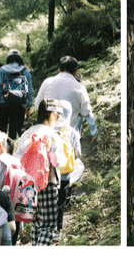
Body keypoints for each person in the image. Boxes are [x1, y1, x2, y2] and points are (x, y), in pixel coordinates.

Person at [15, 98, 66, 246]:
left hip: (29, 185)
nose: (58, 120)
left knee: (36, 223)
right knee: (49, 225)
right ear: (51, 116)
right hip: (48, 184)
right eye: (57, 116)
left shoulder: (27, 133)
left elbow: (18, 157)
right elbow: (58, 162)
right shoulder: (53, 135)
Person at [35, 55, 98, 142]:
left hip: (48, 133)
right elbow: (86, 112)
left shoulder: (47, 82)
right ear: (75, 73)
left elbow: (37, 105)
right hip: (69, 136)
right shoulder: (80, 87)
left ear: (59, 70)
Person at [0, 49, 34, 150]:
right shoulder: (25, 71)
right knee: (15, 128)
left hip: (4, 102)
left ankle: (1, 147)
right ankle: (13, 150)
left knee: (2, 126)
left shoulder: (2, 70)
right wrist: (28, 105)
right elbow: (30, 89)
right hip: (19, 104)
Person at [55, 100, 82, 241]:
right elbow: (78, 153)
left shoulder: (49, 129)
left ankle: (46, 228)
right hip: (65, 174)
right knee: (60, 203)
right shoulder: (72, 131)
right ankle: (58, 230)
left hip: (50, 175)